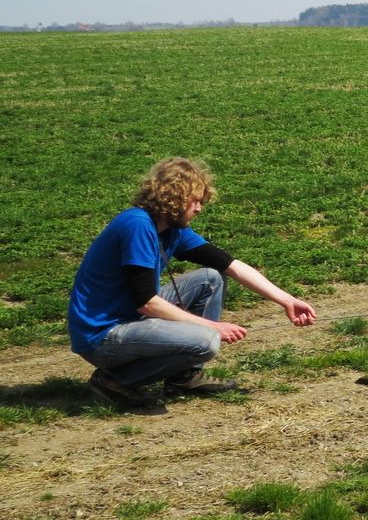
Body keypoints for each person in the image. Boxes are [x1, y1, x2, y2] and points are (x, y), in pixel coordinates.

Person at [69, 157, 317, 409]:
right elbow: (147, 303)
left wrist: (287, 300)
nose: (199, 209)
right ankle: (113, 381)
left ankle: (183, 377)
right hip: (101, 335)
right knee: (205, 341)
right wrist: (213, 327)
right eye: (195, 201)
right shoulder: (137, 225)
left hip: (129, 320)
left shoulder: (172, 229)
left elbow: (230, 265)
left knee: (210, 278)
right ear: (174, 198)